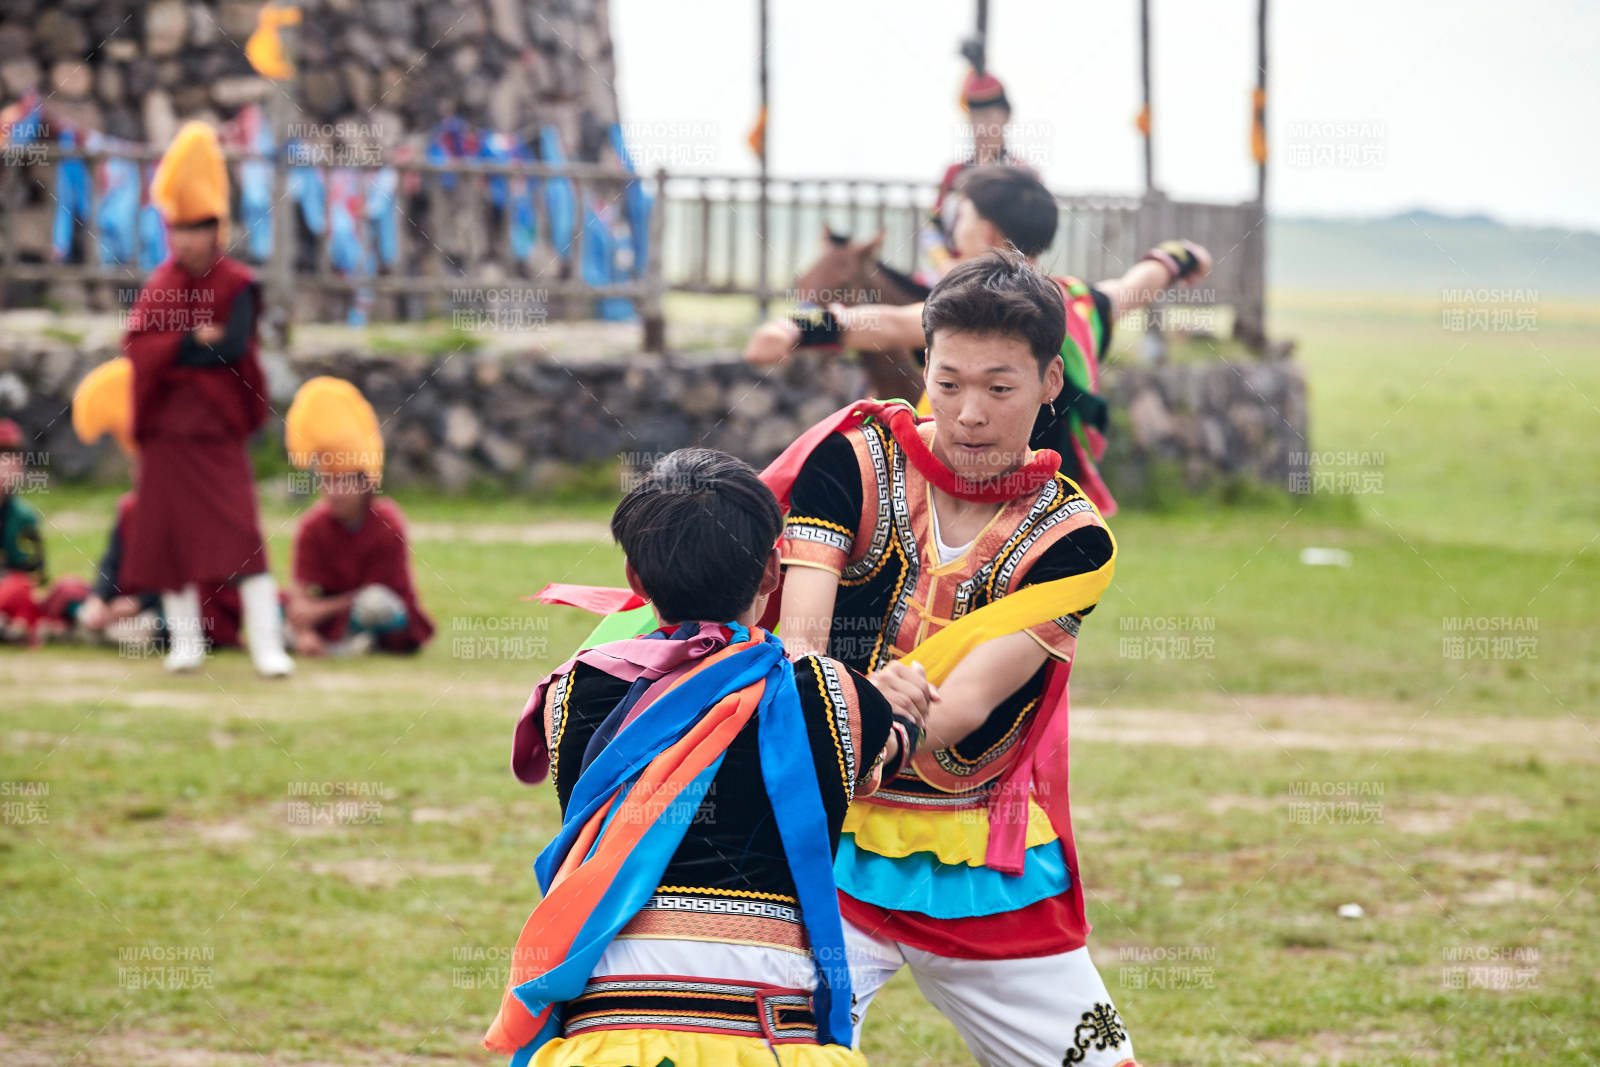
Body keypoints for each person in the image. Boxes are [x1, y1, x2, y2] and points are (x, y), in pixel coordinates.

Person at [772, 250, 1136, 1066]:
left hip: (981, 855)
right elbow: (797, 647)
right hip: (823, 841)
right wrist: (864, 701)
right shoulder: (853, 463)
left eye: (1000, 388)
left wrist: (863, 705)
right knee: (767, 1054)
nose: (970, 413)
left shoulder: (1071, 539)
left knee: (1098, 1062)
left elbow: (964, 705)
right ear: (923, 367)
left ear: (1050, 381)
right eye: (949, 382)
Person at [483, 448, 930, 1067]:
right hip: (766, 1034)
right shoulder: (835, 695)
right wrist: (900, 712)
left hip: (609, 1033)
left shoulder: (569, 692)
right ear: (773, 572)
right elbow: (880, 761)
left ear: (637, 583)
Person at [746, 165, 1211, 516]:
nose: (954, 226)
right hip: (1051, 514)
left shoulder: (965, 310)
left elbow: (886, 324)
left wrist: (799, 328)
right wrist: (1179, 257)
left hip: (960, 509)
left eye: (961, 215)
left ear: (985, 231)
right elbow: (1136, 285)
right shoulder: (1081, 305)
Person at [120, 121, 291, 675]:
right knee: (171, 545)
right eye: (177, 230)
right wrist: (193, 339)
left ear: (216, 230)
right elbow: (140, 346)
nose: (185, 241)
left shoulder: (237, 283)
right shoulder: (161, 283)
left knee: (242, 536)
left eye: (196, 229)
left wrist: (189, 351)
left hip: (215, 430)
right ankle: (185, 643)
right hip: (169, 433)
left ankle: (269, 646)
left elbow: (235, 346)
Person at [69, 357, 245, 652]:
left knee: (189, 610)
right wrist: (100, 598)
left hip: (174, 604)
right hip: (133, 606)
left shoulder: (191, 509)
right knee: (71, 594)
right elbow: (112, 563)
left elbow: (187, 572)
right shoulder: (129, 508)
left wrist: (138, 603)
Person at [284, 377, 433, 657]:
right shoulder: (312, 526)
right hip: (328, 617)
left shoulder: (388, 521)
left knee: (374, 605)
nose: (335, 492)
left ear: (365, 484)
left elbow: (383, 591)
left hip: (371, 612)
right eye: (328, 482)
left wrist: (318, 611)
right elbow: (299, 592)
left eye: (344, 482)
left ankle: (348, 644)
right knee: (273, 604)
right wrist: (304, 630)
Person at [0, 418, 47, 644]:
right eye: (3, 454)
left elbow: (36, 573)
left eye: (14, 454)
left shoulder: (24, 516)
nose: (10, 462)